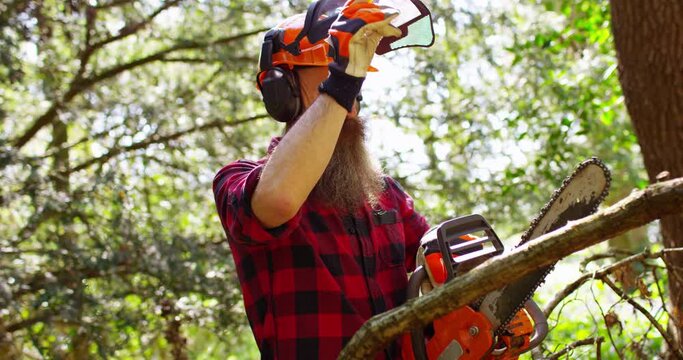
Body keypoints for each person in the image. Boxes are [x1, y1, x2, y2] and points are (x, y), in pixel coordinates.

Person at [213, 1, 430, 358]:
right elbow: (278, 201)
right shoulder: (237, 181)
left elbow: (433, 258)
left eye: (356, 85)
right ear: (280, 93)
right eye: (331, 79)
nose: (352, 103)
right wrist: (341, 83)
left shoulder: (383, 193)